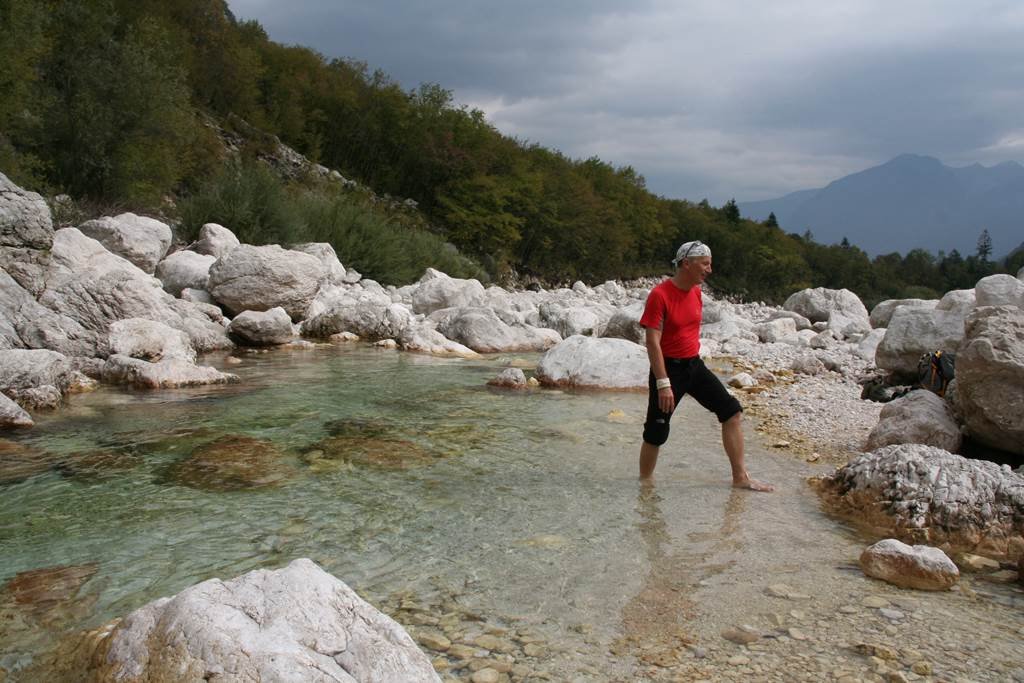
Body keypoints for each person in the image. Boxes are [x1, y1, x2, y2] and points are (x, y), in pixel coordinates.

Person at [637, 240, 773, 491]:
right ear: (686, 264)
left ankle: (740, 478)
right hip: (669, 370)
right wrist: (663, 382)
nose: (709, 269)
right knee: (656, 432)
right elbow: (652, 342)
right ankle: (644, 487)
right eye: (705, 264)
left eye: (710, 264)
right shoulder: (660, 295)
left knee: (731, 411)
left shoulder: (697, 292)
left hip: (694, 366)